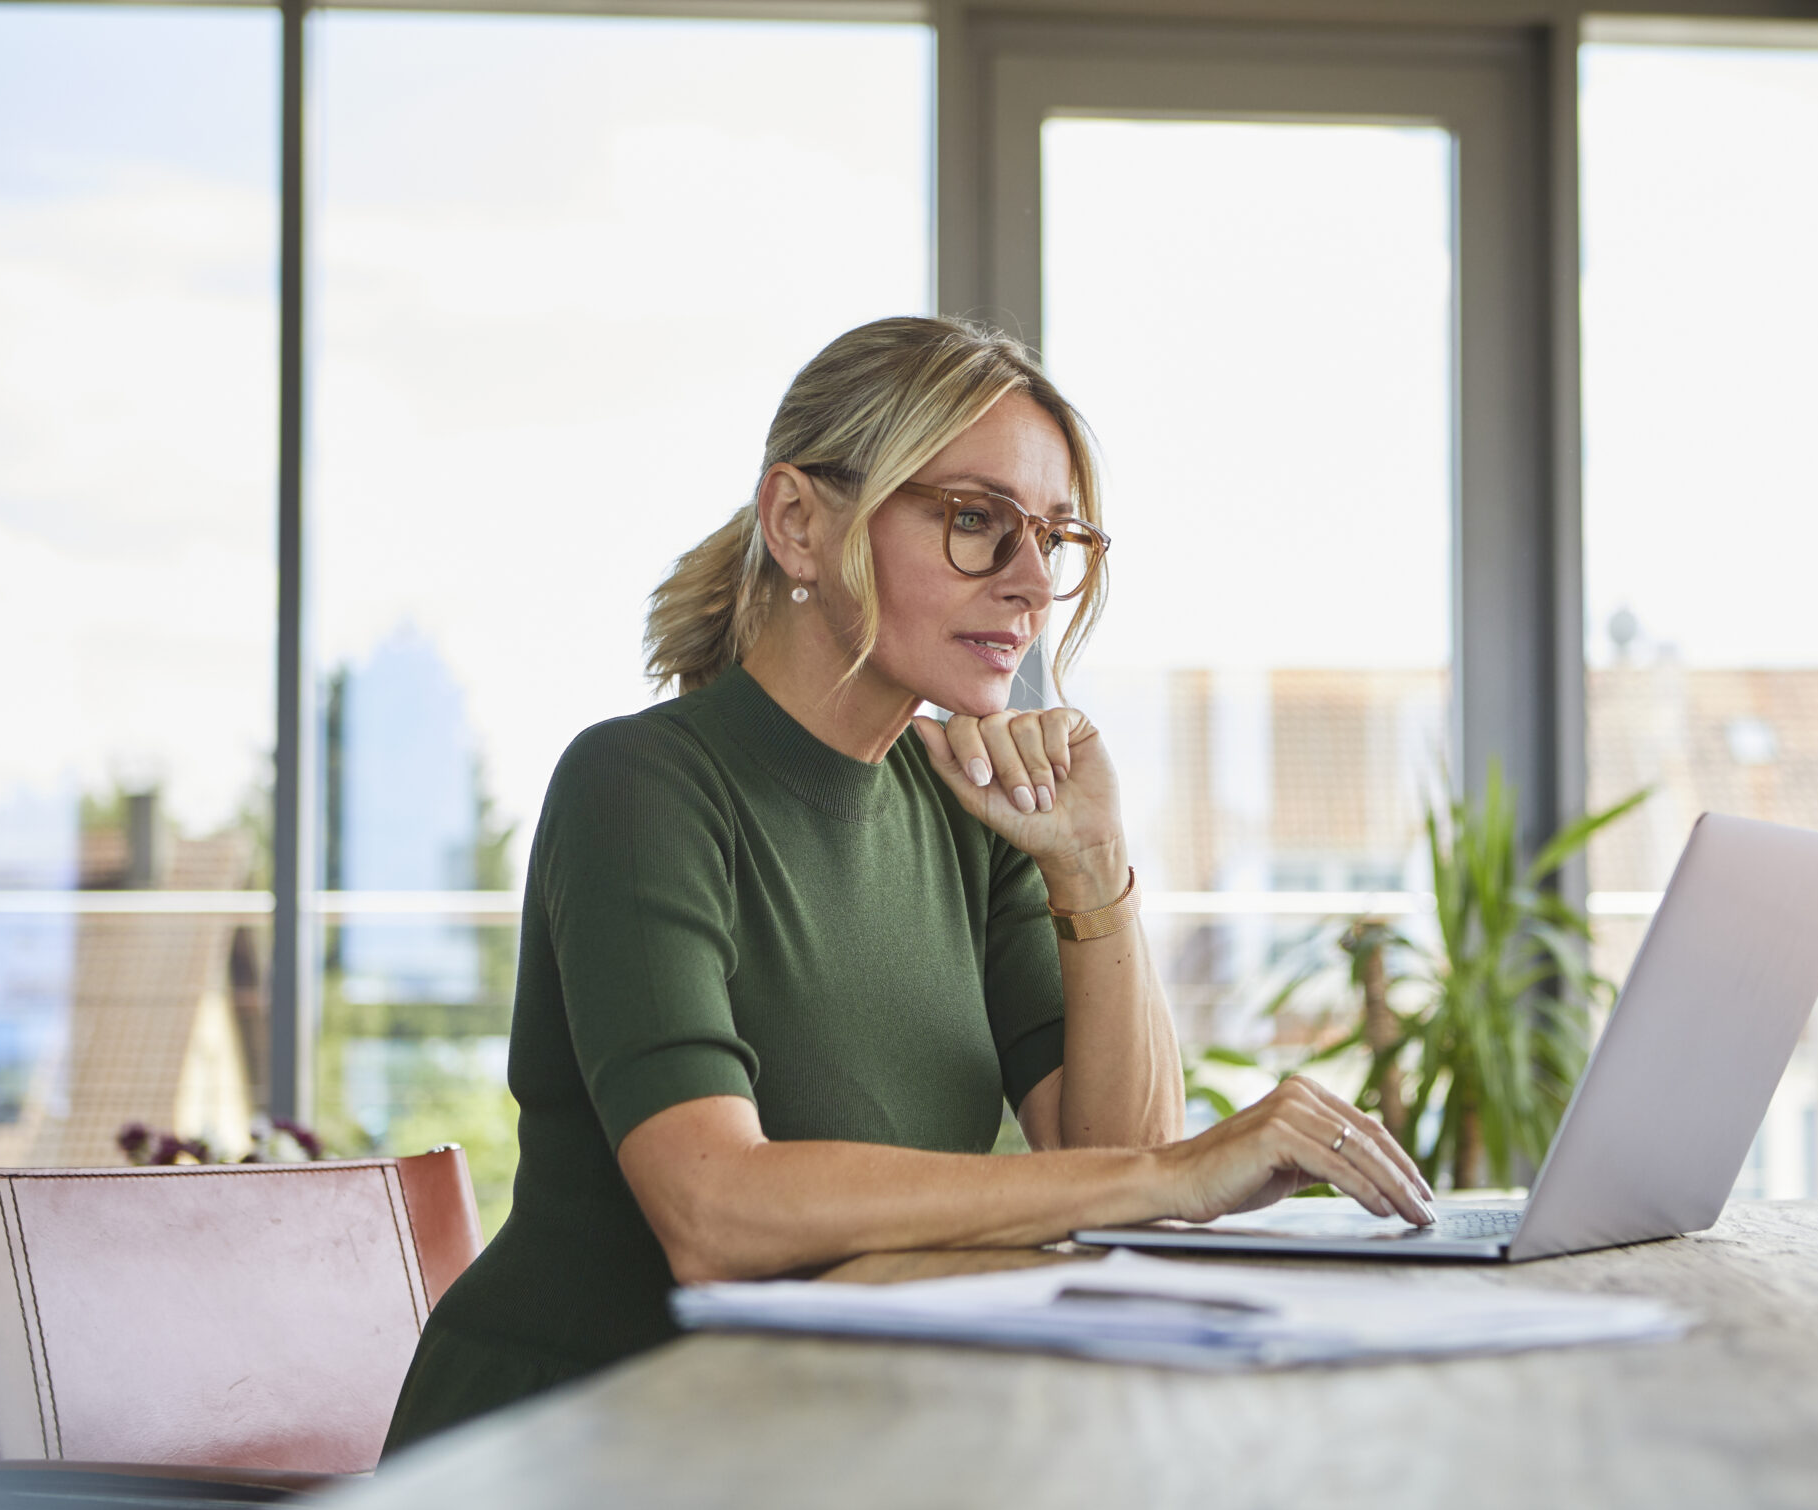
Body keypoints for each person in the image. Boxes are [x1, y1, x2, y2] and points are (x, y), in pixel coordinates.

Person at [384, 317, 1434, 1451]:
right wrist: (1174, 1174)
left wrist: (1090, 872)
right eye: (977, 522)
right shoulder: (641, 784)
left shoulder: (963, 804)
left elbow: (1109, 1159)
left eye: (1055, 536)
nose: (1033, 582)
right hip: (572, 1453)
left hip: (831, 1436)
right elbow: (714, 1211)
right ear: (798, 522)